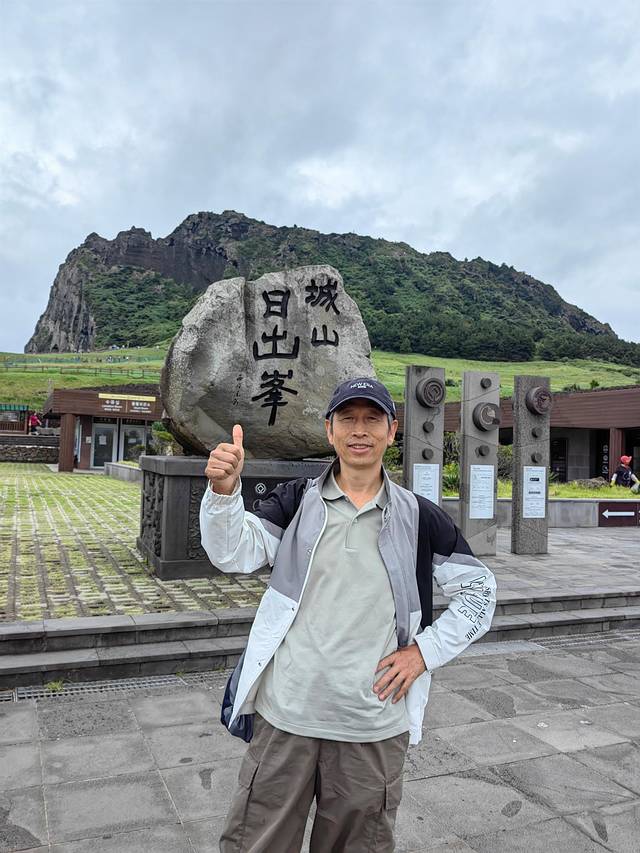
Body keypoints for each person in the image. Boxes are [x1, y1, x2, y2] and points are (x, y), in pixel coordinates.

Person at [200, 377, 497, 853]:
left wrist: (424, 653)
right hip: (288, 714)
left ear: (392, 431)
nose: (360, 430)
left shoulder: (419, 516)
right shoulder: (296, 502)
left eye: (372, 419)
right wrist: (223, 492)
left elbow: (479, 590)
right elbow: (233, 552)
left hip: (371, 724)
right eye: (348, 419)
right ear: (329, 430)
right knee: (257, 843)